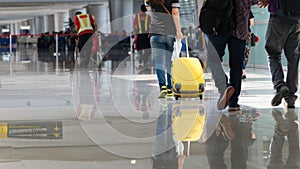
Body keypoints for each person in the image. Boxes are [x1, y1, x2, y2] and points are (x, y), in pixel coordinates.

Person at [204, 0, 257, 111]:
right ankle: (233, 103)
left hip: (218, 28)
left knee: (213, 60)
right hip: (240, 30)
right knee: (237, 67)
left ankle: (224, 86)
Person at [258, 0, 300, 109]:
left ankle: (280, 85)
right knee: (293, 58)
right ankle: (290, 98)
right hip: (297, 19)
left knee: (273, 54)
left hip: (278, 17)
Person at [145, 0, 183, 98]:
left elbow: (148, 8)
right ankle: (170, 88)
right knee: (169, 62)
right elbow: (175, 13)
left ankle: (163, 87)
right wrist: (179, 31)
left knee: (159, 63)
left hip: (155, 33)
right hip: (169, 33)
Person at [242, 10, 255, 79]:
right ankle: (243, 70)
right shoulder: (247, 9)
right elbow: (252, 22)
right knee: (245, 53)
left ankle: (240, 71)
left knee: (238, 53)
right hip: (247, 33)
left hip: (236, 34)